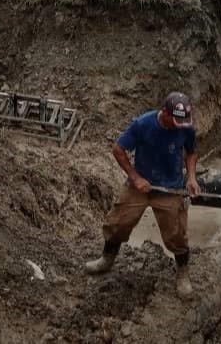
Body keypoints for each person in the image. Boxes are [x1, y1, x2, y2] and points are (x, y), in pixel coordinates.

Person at [84, 92, 200, 299]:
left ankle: (183, 274)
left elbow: (191, 152)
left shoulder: (186, 128)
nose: (178, 126)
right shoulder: (143, 124)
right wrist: (135, 177)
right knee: (118, 222)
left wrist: (191, 178)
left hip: (170, 188)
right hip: (140, 186)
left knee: (176, 234)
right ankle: (106, 258)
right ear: (164, 112)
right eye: (175, 121)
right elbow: (118, 149)